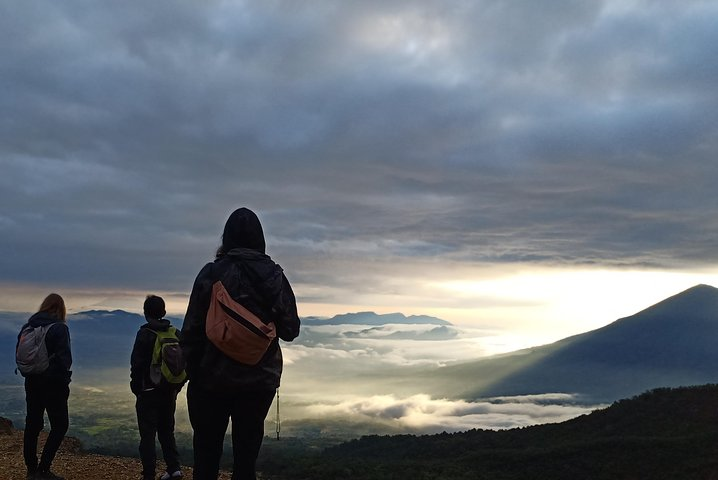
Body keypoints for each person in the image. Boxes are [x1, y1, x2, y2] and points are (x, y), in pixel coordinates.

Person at [181, 207, 301, 480]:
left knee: (206, 456)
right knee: (246, 460)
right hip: (259, 382)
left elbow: (191, 331)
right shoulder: (275, 277)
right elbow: (291, 330)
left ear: (227, 238)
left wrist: (183, 374)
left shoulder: (211, 274)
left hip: (210, 380)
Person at [130, 295, 184, 480]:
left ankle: (149, 475)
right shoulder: (175, 333)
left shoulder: (145, 334)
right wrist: (177, 385)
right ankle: (174, 469)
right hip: (169, 391)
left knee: (147, 436)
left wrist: (137, 388)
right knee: (167, 431)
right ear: (164, 312)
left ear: (145, 313)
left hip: (148, 392)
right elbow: (186, 362)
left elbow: (137, 365)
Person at [19, 293, 72, 480]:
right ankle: (43, 469)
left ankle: (31, 470)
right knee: (60, 425)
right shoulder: (59, 328)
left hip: (31, 382)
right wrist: (65, 381)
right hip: (54, 384)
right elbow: (65, 361)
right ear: (61, 309)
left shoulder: (28, 326)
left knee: (32, 425)